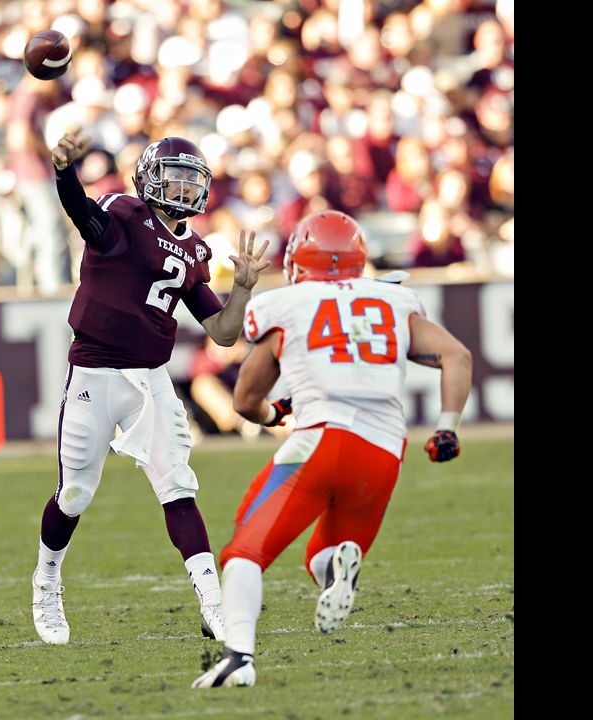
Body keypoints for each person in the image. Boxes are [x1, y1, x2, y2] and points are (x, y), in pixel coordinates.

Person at [191, 210, 472, 688]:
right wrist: (447, 427)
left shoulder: (288, 303)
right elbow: (457, 356)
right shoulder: (393, 298)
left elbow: (244, 400)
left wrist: (276, 414)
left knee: (244, 550)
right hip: (384, 451)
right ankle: (337, 571)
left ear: (301, 260)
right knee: (322, 553)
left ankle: (239, 657)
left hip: (320, 440)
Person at [30, 128, 272, 646]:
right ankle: (47, 579)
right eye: (174, 177)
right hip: (95, 372)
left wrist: (243, 288)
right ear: (147, 178)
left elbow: (224, 333)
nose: (183, 189)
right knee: (74, 493)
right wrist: (64, 171)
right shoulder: (124, 215)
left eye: (191, 180)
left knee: (178, 488)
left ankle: (214, 605)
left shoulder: (194, 249)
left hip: (151, 379)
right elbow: (82, 213)